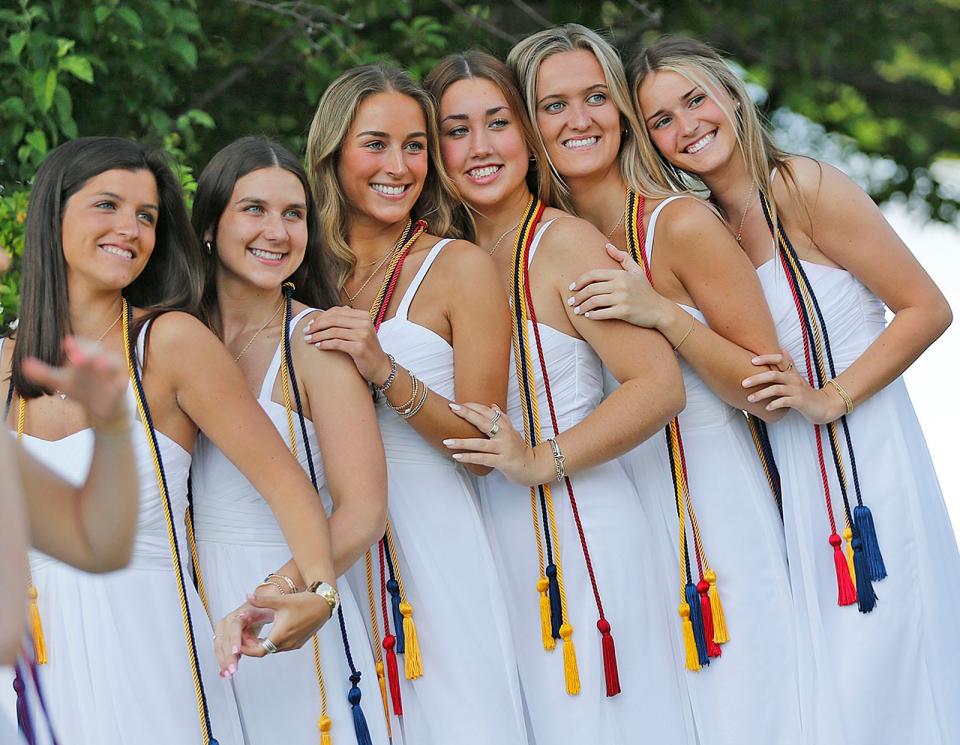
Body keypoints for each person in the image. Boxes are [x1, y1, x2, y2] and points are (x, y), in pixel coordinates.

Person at [632, 36, 959, 745]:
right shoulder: (709, 228)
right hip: (790, 483)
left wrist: (829, 396)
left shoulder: (802, 185)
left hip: (865, 468)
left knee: (886, 669)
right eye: (661, 120)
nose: (686, 126)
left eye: (694, 100)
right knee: (833, 688)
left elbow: (927, 308)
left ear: (730, 94)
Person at [507, 25, 801, 743]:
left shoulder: (681, 222)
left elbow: (766, 385)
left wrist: (663, 315)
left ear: (623, 112)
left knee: (745, 709)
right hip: (618, 509)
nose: (579, 120)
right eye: (554, 105)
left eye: (596, 98)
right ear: (528, 123)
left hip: (713, 504)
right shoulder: (544, 239)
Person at [1, 136, 338, 745]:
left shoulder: (168, 343)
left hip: (148, 648)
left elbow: (291, 488)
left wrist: (316, 590)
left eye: (147, 216)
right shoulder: (3, 369)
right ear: (54, 216)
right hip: (29, 667)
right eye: (108, 205)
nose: (130, 228)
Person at [425, 50, 694, 744]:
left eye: (498, 123)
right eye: (457, 130)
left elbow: (658, 386)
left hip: (579, 532)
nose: (480, 148)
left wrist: (543, 458)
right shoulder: (444, 257)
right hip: (490, 539)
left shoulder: (565, 242)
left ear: (528, 135)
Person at [300, 64, 527, 745]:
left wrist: (382, 368)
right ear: (333, 152)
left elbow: (482, 449)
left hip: (436, 538)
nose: (398, 165)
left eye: (416, 145)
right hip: (335, 543)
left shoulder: (458, 265)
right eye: (376, 143)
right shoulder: (303, 270)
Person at [190, 136, 390, 745]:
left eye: (293, 214)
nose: (276, 231)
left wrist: (277, 592)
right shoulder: (174, 337)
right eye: (254, 209)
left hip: (291, 598)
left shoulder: (314, 341)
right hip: (188, 601)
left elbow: (363, 511)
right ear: (208, 226)